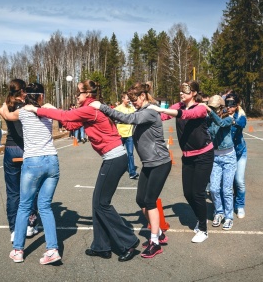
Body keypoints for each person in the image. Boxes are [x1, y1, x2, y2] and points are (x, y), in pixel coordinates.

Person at [24, 79, 139, 262]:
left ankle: (128, 242)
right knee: (97, 203)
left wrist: (37, 109)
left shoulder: (91, 109)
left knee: (102, 203)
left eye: (78, 93)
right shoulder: (88, 110)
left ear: (87, 94)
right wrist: (51, 110)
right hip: (112, 158)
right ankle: (101, 246)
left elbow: (66, 117)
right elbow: (70, 125)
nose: (75, 97)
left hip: (115, 158)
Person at [90, 82, 172, 258]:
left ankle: (155, 243)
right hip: (149, 164)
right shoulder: (141, 111)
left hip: (160, 163)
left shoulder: (150, 111)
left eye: (135, 99)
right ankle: (158, 234)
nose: (133, 102)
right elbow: (126, 117)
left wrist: (103, 107)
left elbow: (128, 119)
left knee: (150, 202)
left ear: (143, 96)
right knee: (140, 200)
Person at [0, 82, 61, 265]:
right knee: (45, 206)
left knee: (24, 206)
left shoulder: (24, 112)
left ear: (27, 95)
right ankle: (52, 249)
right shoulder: (49, 110)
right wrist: (46, 105)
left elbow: (6, 114)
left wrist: (4, 104)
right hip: (51, 160)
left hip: (33, 161)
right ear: (41, 96)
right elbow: (60, 114)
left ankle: (18, 250)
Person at [148, 80, 214, 243]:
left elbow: (188, 115)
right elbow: (163, 116)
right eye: (180, 90)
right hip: (188, 155)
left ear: (193, 93)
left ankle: (203, 229)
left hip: (204, 155)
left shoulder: (199, 108)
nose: (181, 93)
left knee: (198, 192)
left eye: (185, 91)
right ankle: (201, 216)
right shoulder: (178, 106)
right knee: (187, 193)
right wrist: (149, 113)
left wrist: (161, 108)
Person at [3, 79, 38, 242]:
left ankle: (14, 230)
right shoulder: (25, 107)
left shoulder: (7, 105)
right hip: (25, 148)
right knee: (30, 189)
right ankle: (30, 225)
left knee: (12, 192)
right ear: (22, 91)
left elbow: (1, 111)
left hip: (10, 149)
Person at [202, 95, 236, 231]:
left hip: (229, 158)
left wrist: (209, 112)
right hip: (215, 158)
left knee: (227, 190)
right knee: (214, 189)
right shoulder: (208, 119)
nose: (211, 110)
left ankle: (229, 217)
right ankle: (219, 212)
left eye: (214, 108)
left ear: (221, 107)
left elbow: (221, 124)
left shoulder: (229, 118)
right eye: (210, 108)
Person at [225, 93, 247, 218]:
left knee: (239, 180)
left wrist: (230, 119)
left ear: (237, 105)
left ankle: (240, 205)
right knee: (227, 182)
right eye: (227, 103)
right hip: (226, 153)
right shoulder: (221, 113)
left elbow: (241, 124)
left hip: (239, 152)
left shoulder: (241, 115)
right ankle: (227, 204)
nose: (229, 107)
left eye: (232, 104)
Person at [114, 92, 139, 179]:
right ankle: (115, 171)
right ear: (122, 99)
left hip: (129, 135)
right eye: (127, 98)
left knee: (131, 153)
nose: (129, 100)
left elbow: (135, 117)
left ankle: (132, 172)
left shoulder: (131, 108)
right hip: (120, 135)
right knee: (118, 154)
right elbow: (114, 121)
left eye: (129, 99)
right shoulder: (117, 109)